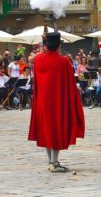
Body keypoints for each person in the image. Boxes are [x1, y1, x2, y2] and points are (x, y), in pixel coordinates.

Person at [28, 32, 85, 173]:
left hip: (42, 101)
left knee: (46, 130)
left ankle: (51, 161)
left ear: (46, 45)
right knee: (56, 130)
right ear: (59, 45)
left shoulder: (39, 59)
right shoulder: (64, 61)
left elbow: (31, 59)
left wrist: (43, 43)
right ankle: (54, 162)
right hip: (57, 100)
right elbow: (70, 82)